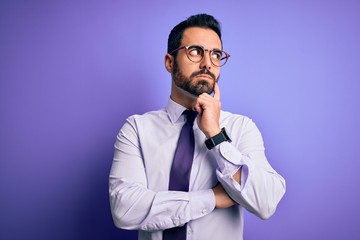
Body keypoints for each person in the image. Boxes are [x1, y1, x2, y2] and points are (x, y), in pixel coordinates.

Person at [109, 13, 286, 240]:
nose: (207, 63)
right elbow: (125, 210)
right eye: (195, 51)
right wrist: (211, 198)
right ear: (169, 62)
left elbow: (266, 202)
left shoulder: (241, 128)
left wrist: (215, 135)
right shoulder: (136, 129)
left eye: (216, 54)